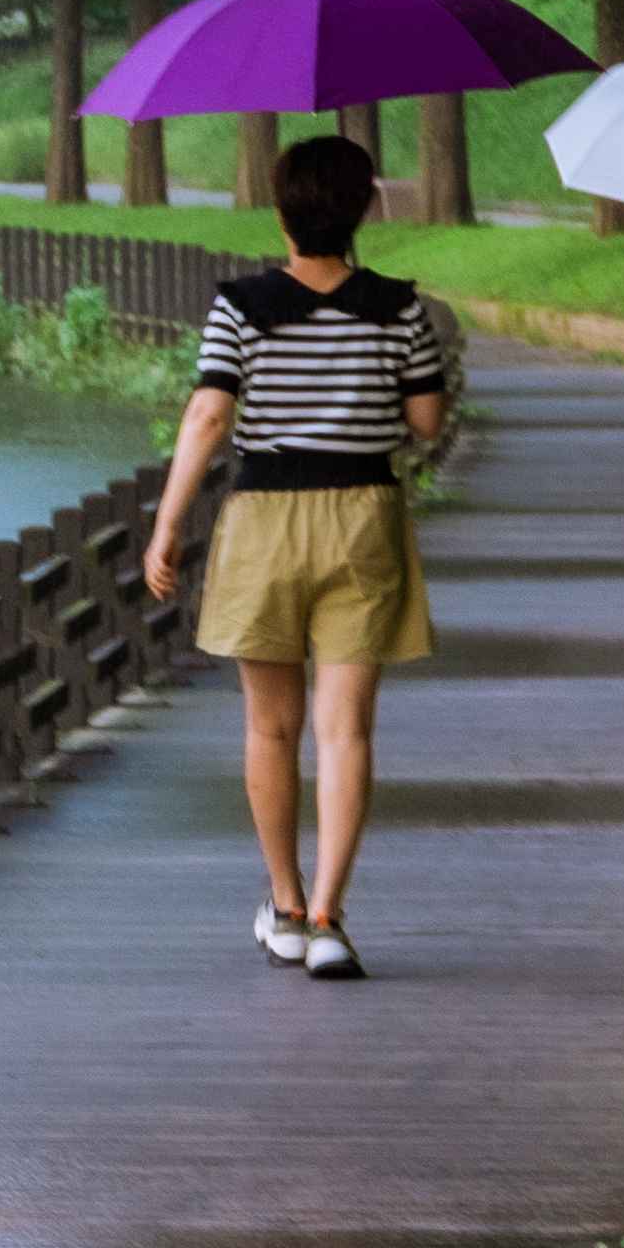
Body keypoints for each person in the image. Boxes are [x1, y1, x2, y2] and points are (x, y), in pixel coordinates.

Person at [141, 131, 460, 979]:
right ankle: (328, 916)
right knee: (345, 728)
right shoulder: (399, 306)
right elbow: (428, 423)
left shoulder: (239, 305)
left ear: (281, 213)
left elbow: (208, 417)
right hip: (364, 518)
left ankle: (281, 905)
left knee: (269, 725)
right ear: (361, 211)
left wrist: (168, 521)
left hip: (264, 519)